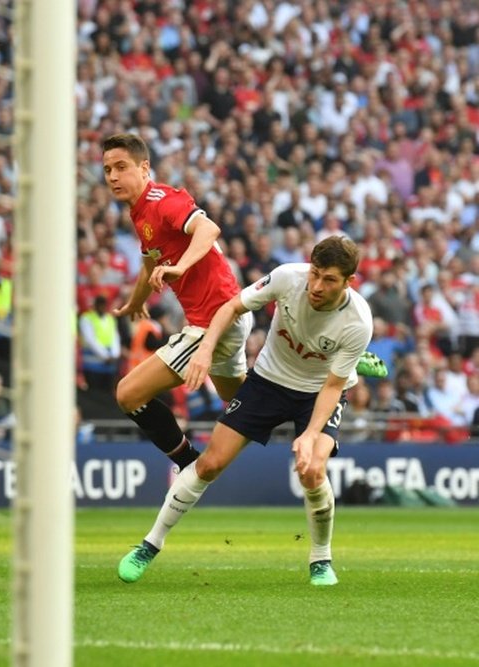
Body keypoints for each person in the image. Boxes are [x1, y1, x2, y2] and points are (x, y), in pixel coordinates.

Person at [118, 236, 373, 587]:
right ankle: (149, 544)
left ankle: (321, 559)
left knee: (313, 469)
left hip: (318, 390)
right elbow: (230, 307)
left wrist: (311, 435)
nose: (316, 286)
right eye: (314, 274)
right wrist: (206, 350)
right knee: (209, 463)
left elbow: (332, 387)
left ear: (348, 282)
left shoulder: (358, 321)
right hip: (267, 381)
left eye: (328, 280)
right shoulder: (287, 277)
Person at [102, 133, 253, 471]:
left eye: (121, 167)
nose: (112, 176)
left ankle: (188, 466)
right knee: (245, 401)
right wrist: (134, 302)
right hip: (228, 313)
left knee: (128, 393)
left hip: (213, 318)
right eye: (108, 169)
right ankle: (314, 397)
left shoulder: (161, 200)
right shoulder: (140, 213)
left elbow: (209, 228)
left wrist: (181, 265)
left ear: (144, 168)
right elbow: (150, 263)